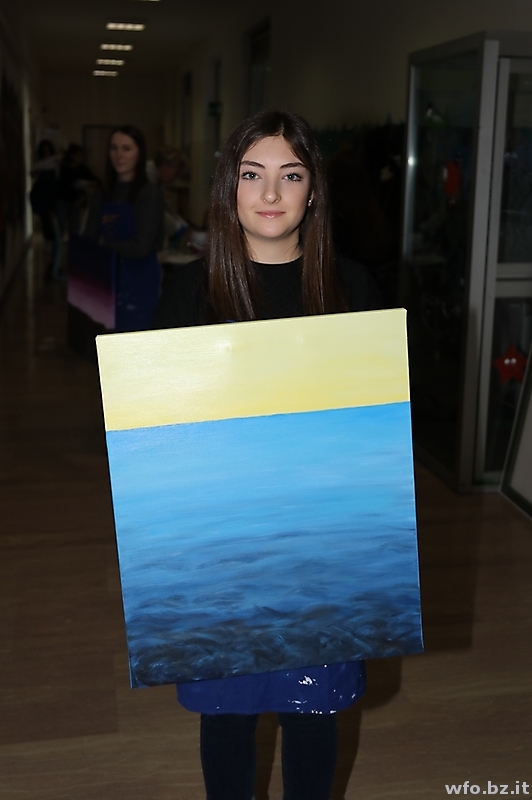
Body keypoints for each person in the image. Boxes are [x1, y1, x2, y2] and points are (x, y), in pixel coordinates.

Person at [153, 110, 381, 800]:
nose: (272, 193)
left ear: (314, 191)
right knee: (228, 711)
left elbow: (374, 439)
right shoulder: (191, 291)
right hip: (223, 549)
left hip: (323, 545)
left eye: (291, 175)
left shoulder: (352, 289)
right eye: (253, 175)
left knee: (314, 706)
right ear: (229, 187)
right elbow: (161, 439)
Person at [84, 125, 164, 331]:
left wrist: (103, 247)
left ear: (139, 153)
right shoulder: (101, 194)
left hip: (138, 283)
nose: (119, 155)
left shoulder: (149, 194)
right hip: (104, 283)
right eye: (114, 148)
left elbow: (141, 248)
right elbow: (88, 241)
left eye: (126, 149)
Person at [30, 139, 62, 279]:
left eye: (48, 149)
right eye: (44, 149)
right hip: (43, 198)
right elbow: (32, 172)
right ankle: (51, 260)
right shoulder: (41, 164)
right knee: (48, 228)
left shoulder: (55, 162)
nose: (46, 152)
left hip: (52, 198)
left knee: (55, 230)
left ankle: (53, 261)